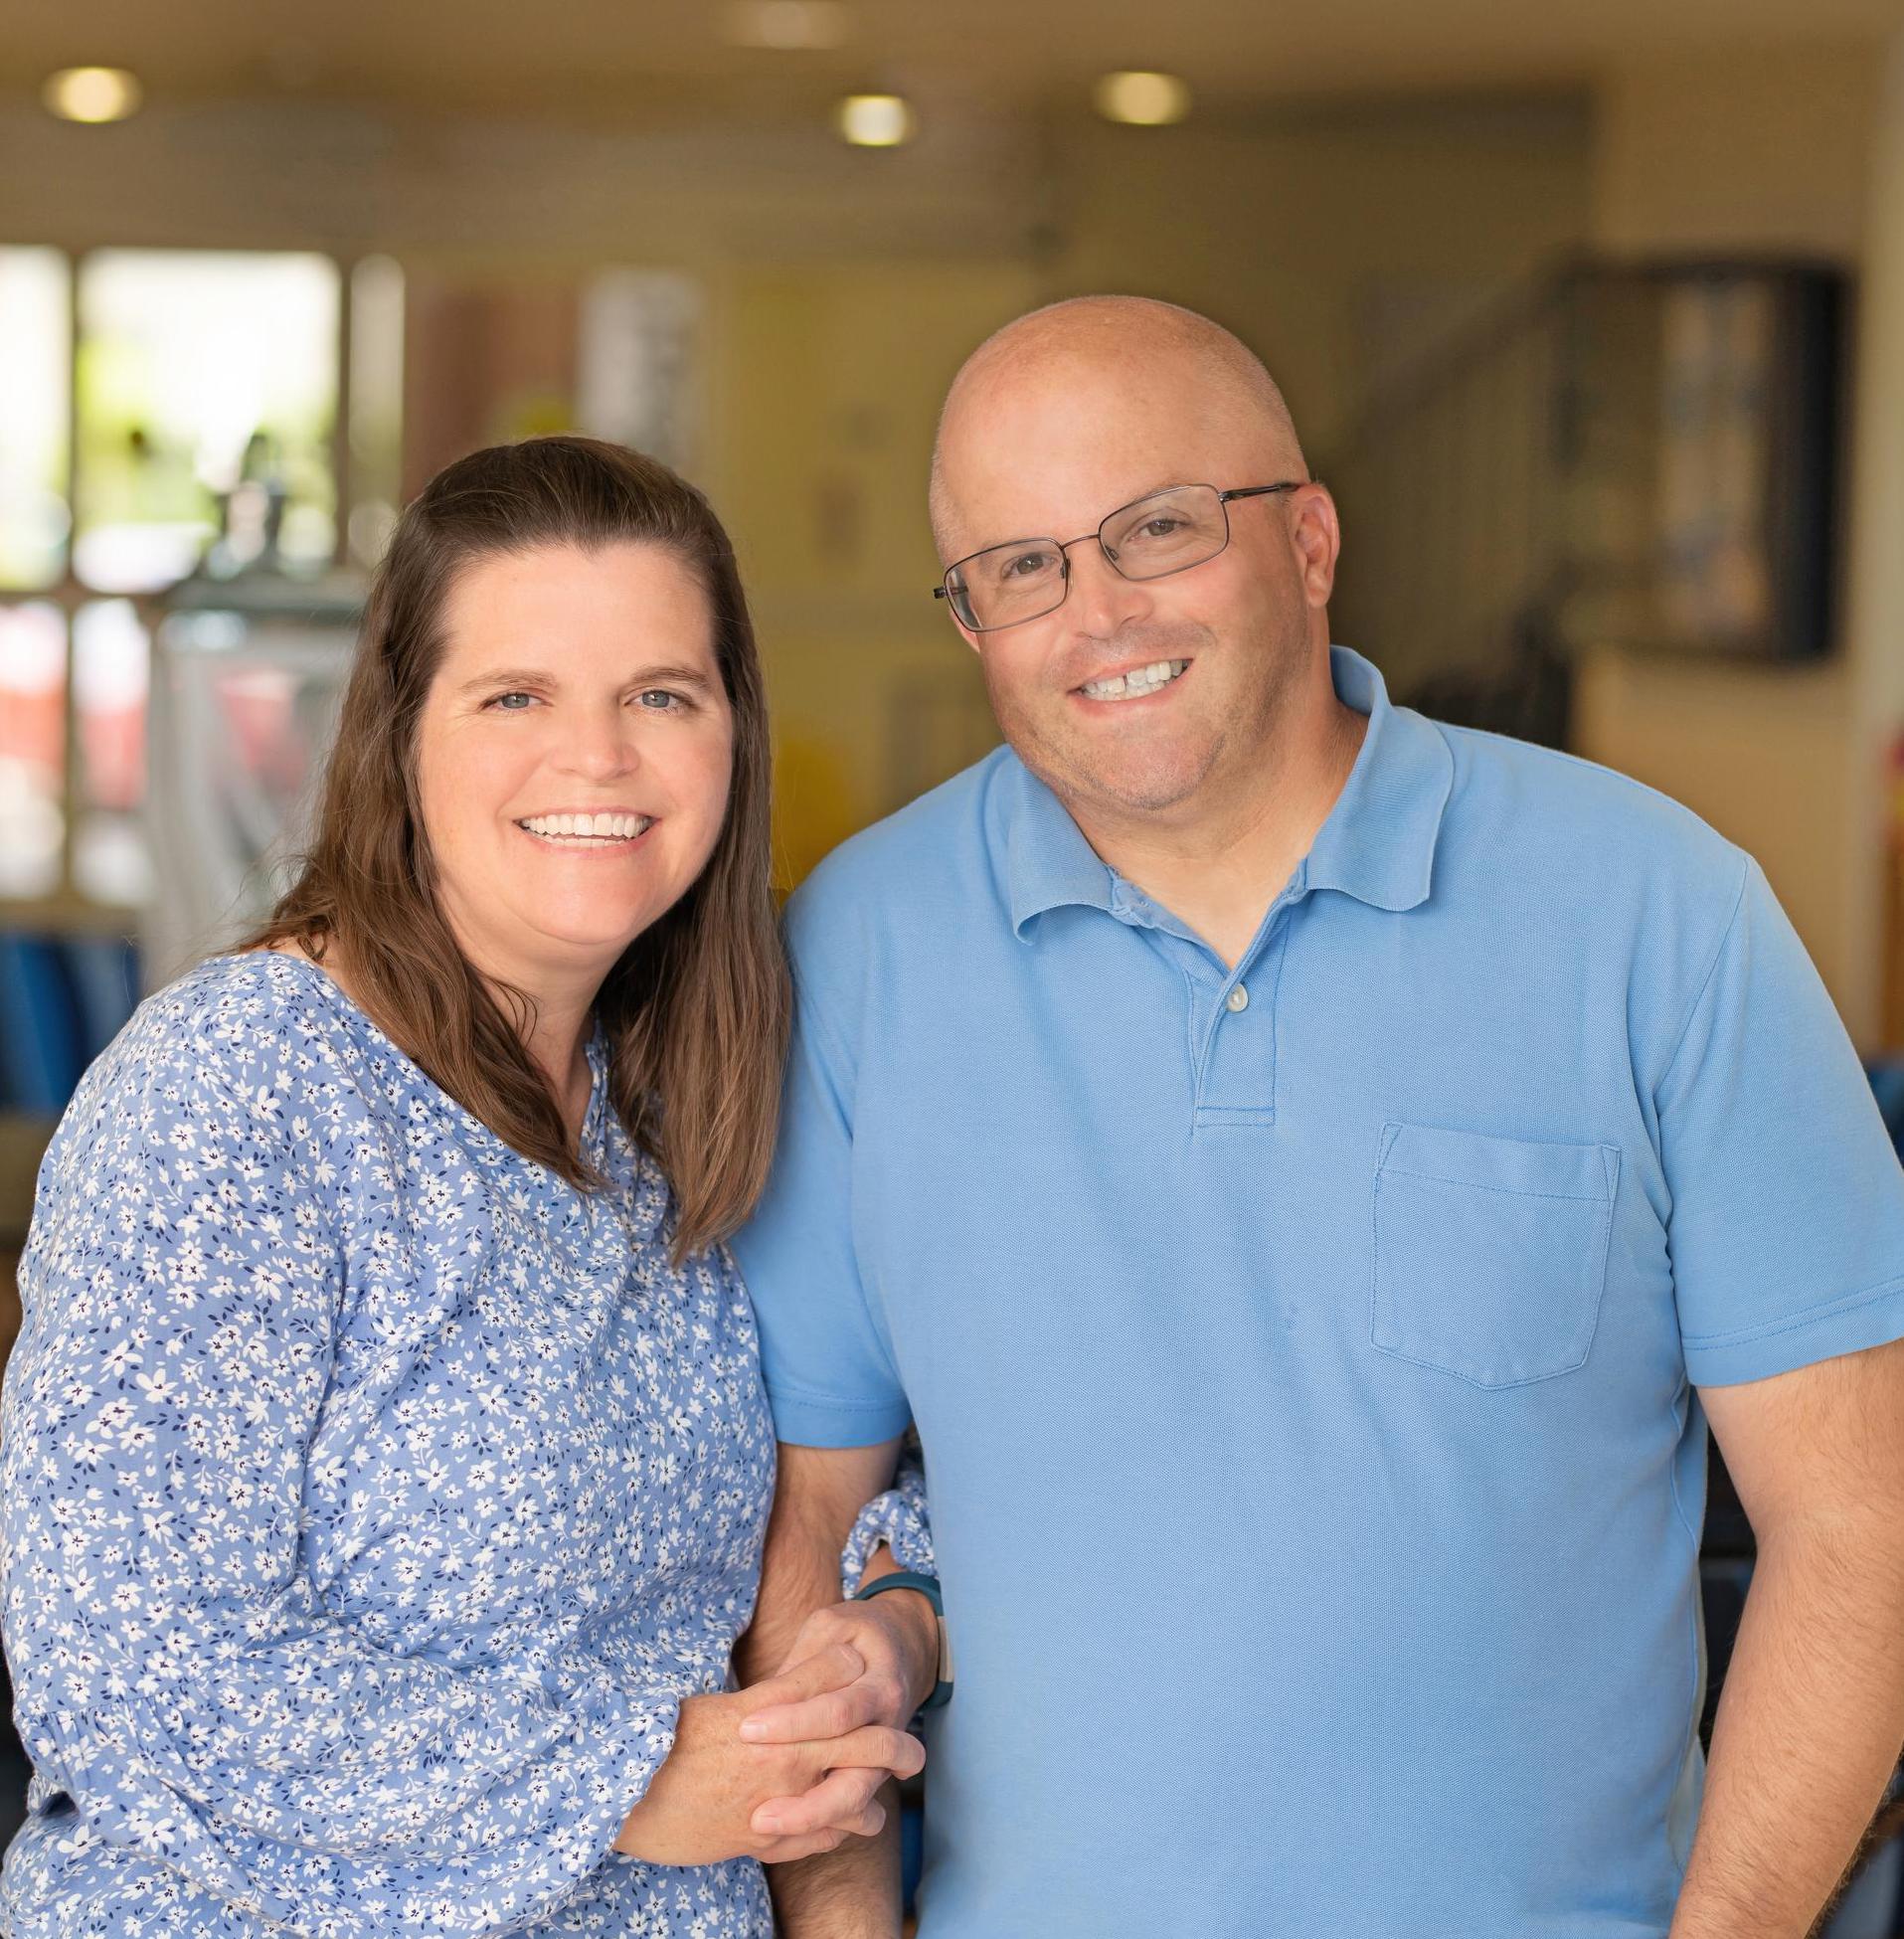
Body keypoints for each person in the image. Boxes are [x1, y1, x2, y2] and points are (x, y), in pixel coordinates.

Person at [731, 297, 1904, 1937]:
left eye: (1157, 528)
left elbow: (1862, 1522)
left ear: (1311, 541)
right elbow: (802, 1522)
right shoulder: (849, 957)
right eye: (1020, 567)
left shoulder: (1662, 917)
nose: (1097, 614)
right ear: (971, 618)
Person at [0, 436, 930, 1938]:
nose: (600, 757)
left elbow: (858, 1461)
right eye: (517, 695)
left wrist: (890, 1625)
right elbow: (130, 1667)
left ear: (731, 740)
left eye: (661, 695)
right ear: (401, 738)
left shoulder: (676, 1099)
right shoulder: (237, 1094)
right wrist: (633, 1777)